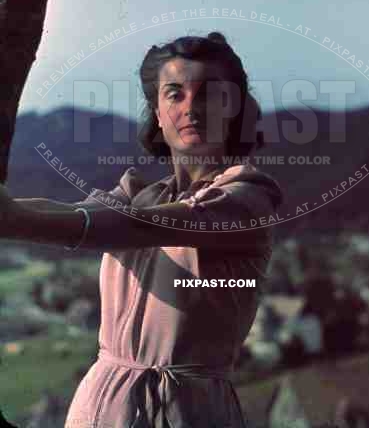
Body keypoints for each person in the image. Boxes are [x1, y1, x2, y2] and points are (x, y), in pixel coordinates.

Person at [0, 31, 284, 428]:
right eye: (175, 94)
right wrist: (9, 213)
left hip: (184, 411)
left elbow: (140, 227)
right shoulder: (138, 192)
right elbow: (73, 214)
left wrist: (16, 219)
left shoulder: (247, 197)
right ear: (157, 110)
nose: (191, 108)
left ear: (233, 105)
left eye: (207, 93)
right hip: (99, 401)